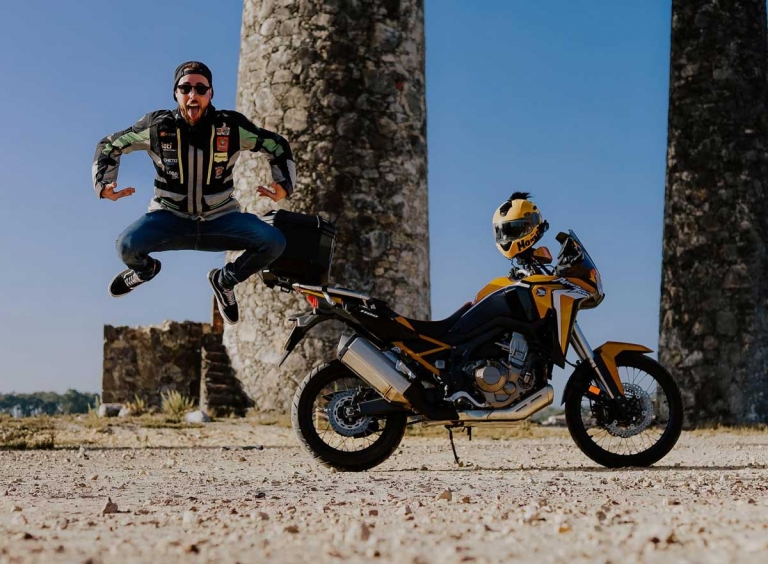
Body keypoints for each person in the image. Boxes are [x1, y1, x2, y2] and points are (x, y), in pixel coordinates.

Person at [92, 61, 294, 325]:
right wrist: (104, 184)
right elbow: (110, 144)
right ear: (175, 93)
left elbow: (276, 145)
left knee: (274, 241)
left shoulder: (231, 127)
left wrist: (283, 185)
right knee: (126, 247)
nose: (193, 95)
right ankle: (144, 272)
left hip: (221, 220)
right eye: (185, 88)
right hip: (169, 219)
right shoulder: (156, 126)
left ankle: (224, 281)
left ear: (210, 93)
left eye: (200, 89)